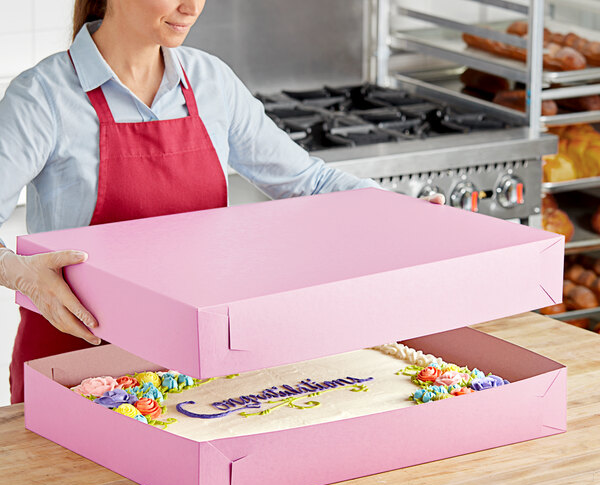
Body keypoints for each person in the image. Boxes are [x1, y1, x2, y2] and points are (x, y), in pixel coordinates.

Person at [0, 0, 444, 405]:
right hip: (72, 368)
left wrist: (405, 212)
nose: (192, 7)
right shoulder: (43, 97)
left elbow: (309, 181)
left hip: (190, 371)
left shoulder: (210, 82)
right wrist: (26, 278)